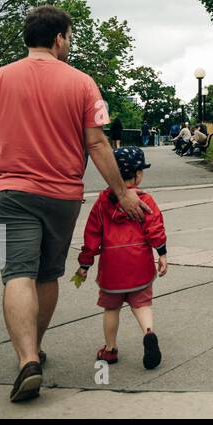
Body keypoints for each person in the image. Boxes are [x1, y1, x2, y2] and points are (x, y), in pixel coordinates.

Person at [0, 5, 148, 402]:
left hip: (7, 193)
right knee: (47, 275)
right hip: (60, 196)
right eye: (70, 36)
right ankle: (35, 349)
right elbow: (97, 143)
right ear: (60, 38)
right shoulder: (83, 83)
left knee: (17, 274)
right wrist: (122, 191)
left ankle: (27, 357)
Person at [75, 147, 167, 369]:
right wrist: (162, 253)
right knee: (142, 304)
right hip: (139, 263)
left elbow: (92, 233)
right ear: (137, 174)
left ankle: (110, 349)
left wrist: (85, 262)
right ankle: (148, 332)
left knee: (111, 309)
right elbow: (155, 228)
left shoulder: (102, 202)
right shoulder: (145, 200)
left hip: (112, 267)